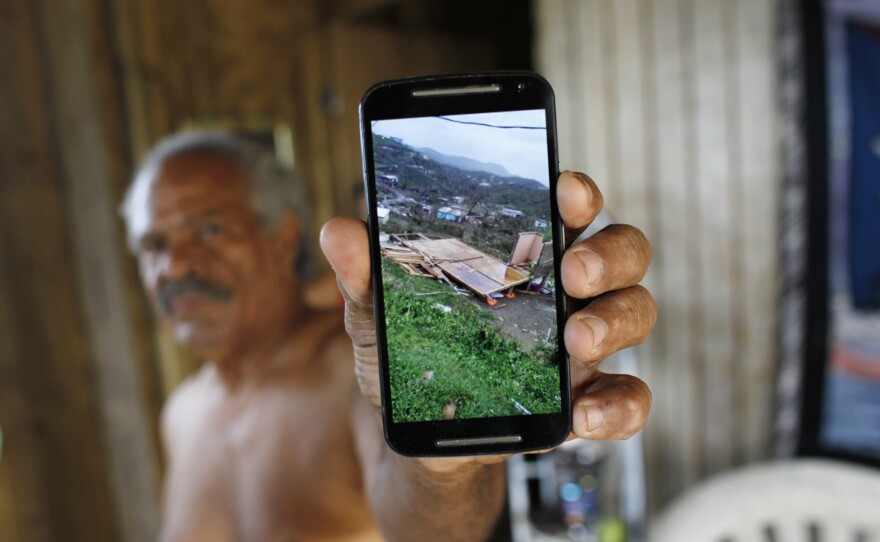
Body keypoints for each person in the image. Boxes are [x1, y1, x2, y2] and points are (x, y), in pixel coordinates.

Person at [121, 131, 656, 541]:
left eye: (209, 229)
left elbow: (436, 528)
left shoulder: (350, 371)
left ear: (282, 237)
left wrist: (442, 467)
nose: (176, 265)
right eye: (153, 245)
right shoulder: (182, 413)